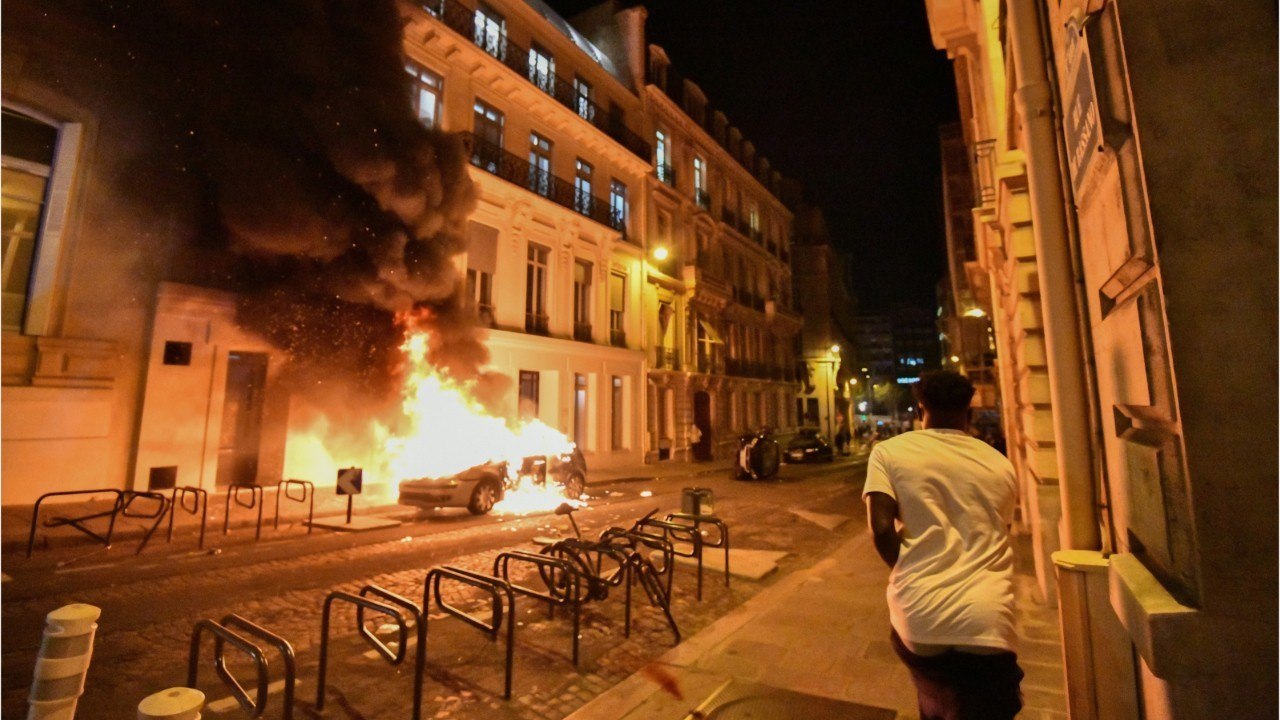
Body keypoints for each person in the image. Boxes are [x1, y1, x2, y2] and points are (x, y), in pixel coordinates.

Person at [861, 370, 1022, 720]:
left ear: (921, 410)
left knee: (934, 699)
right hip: (987, 616)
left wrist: (909, 568)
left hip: (919, 616)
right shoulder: (1001, 464)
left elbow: (881, 528)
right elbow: (1000, 530)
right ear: (970, 413)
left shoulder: (888, 452)